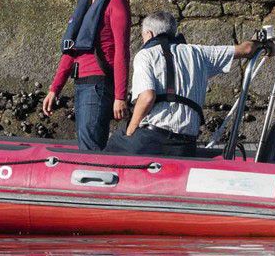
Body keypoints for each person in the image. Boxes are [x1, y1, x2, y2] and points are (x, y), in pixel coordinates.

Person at [105, 12, 258, 157]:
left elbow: (147, 97)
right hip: (186, 144)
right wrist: (261, 41)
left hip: (153, 139)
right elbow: (247, 49)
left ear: (149, 34)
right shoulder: (199, 53)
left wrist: (131, 130)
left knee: (114, 143)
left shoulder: (146, 55)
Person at [42, 0, 131, 151]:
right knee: (85, 143)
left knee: (90, 147)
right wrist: (54, 88)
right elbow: (71, 49)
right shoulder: (86, 1)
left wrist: (120, 96)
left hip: (98, 84)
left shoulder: (116, 1)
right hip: (82, 82)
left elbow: (121, 52)